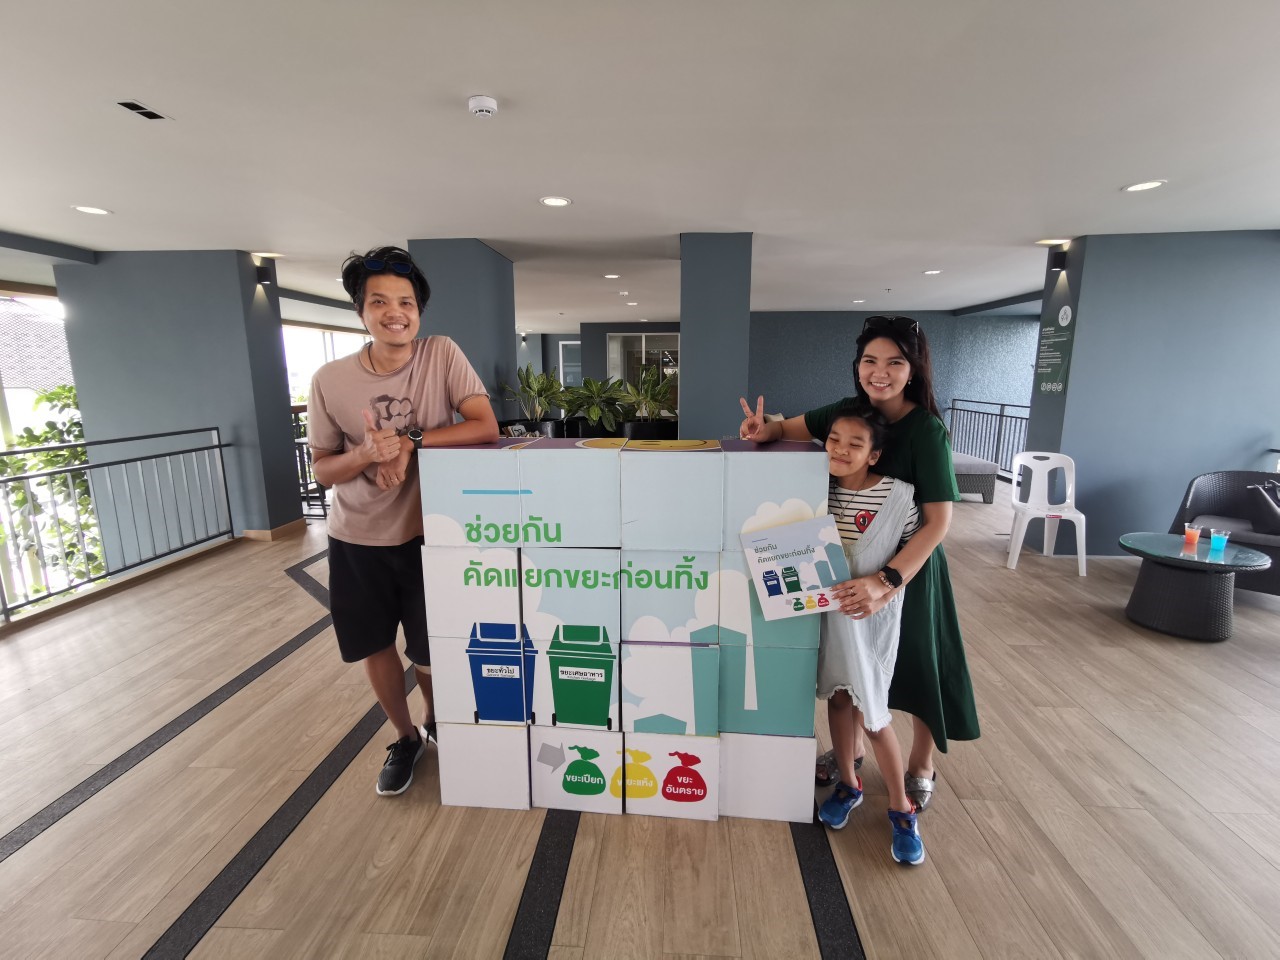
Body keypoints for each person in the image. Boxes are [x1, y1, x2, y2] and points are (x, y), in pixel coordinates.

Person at [738, 315, 979, 813]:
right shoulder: (847, 412)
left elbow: (938, 522)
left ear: (913, 370)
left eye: (894, 362)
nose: (879, 372)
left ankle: (921, 764)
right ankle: (852, 757)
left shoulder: (927, 429)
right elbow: (784, 428)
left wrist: (887, 580)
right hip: (848, 565)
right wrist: (763, 430)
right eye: (870, 360)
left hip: (909, 567)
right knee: (849, 668)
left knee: (919, 665)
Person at [308, 246, 498, 796]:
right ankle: (404, 736)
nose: (395, 312)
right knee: (375, 645)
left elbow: (484, 426)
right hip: (356, 536)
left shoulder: (440, 354)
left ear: (419, 310)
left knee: (431, 645)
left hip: (429, 533)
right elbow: (322, 468)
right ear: (361, 311)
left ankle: (438, 720)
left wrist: (410, 441)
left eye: (406, 302)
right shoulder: (329, 379)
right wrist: (367, 454)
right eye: (380, 302)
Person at [816, 405, 924, 864]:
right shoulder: (816, 488)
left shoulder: (899, 498)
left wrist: (883, 592)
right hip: (829, 619)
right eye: (834, 439)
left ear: (874, 455)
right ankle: (848, 783)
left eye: (854, 444)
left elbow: (915, 557)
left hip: (871, 622)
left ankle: (902, 808)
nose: (840, 450)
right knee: (839, 700)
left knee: (875, 716)